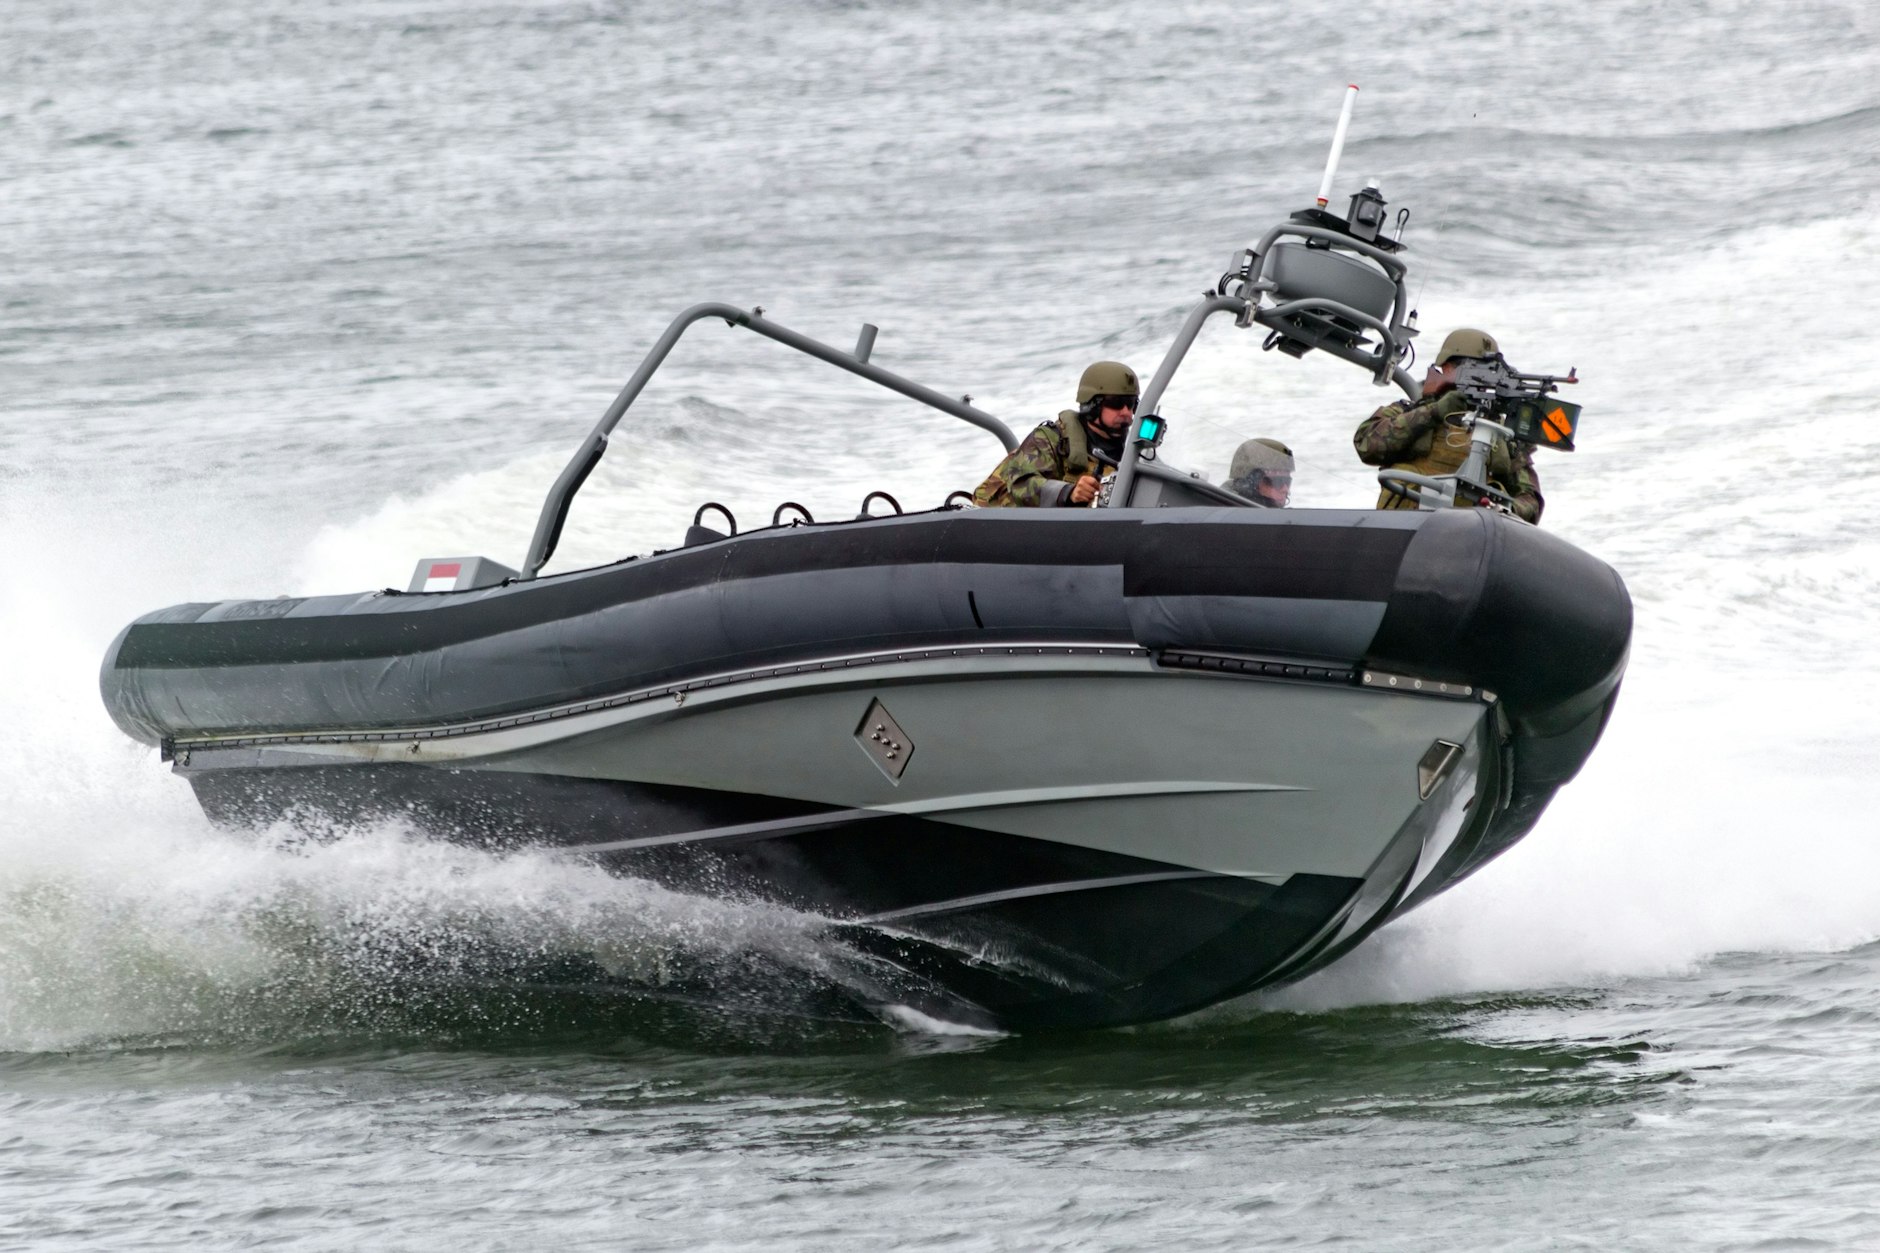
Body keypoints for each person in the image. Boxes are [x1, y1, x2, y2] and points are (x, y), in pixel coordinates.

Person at [1352, 328, 1544, 523]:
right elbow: (1366, 445)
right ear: (1446, 368)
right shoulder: (1408, 411)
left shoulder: (1500, 434)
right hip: (1405, 527)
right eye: (1469, 368)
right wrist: (1433, 413)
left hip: (1468, 533)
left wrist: (1506, 509)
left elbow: (1530, 501)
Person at [972, 361, 1140, 508]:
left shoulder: (1136, 448)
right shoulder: (1050, 439)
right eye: (1116, 403)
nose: (1126, 412)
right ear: (1092, 404)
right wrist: (1069, 493)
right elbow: (1020, 484)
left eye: (1131, 403)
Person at [1225, 437, 1294, 507]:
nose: (1285, 490)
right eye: (1278, 481)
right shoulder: (1228, 510)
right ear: (1249, 484)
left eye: (1287, 481)